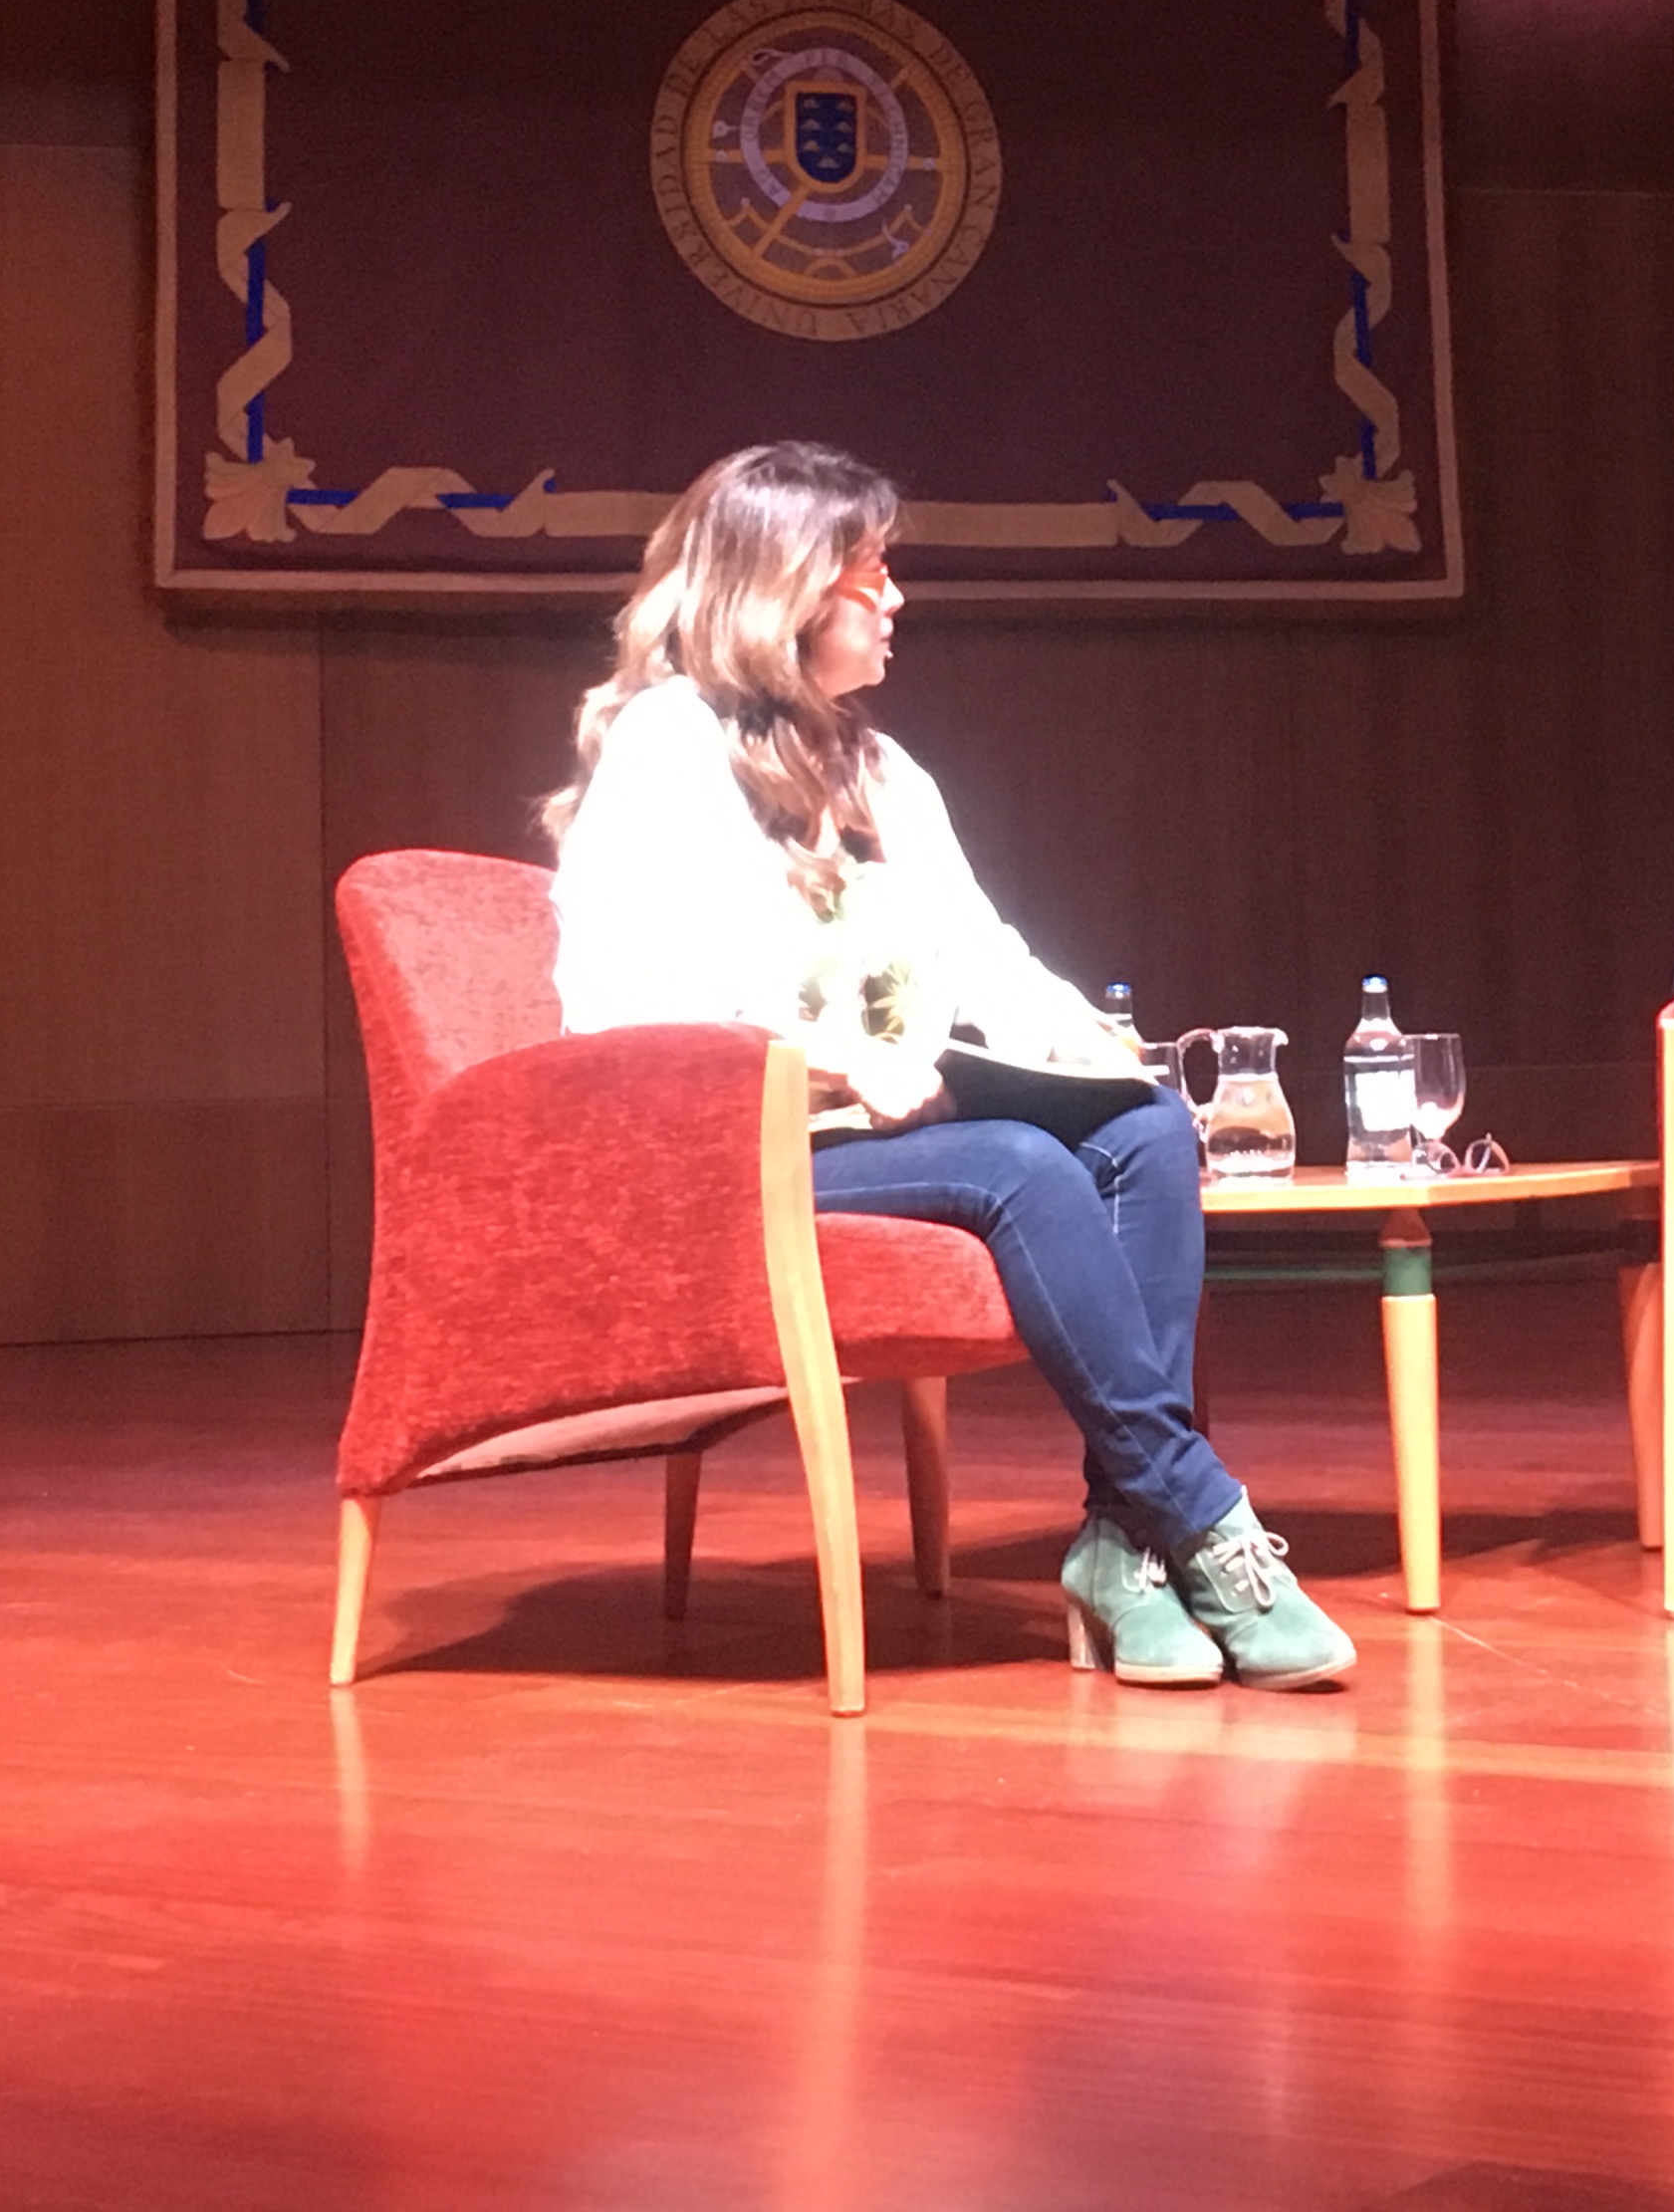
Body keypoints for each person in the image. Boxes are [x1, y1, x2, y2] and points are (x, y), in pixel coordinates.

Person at [543, 441, 1353, 1692]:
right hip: (721, 1154)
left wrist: (1098, 1047)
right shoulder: (669, 744)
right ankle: (1204, 1520)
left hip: (876, 1135)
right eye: (875, 575)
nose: (898, 600)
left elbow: (990, 956)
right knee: (1022, 1168)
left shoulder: (880, 771)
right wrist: (828, 1058)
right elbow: (619, 1006)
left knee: (1140, 1132)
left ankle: (1121, 1548)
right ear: (791, 590)